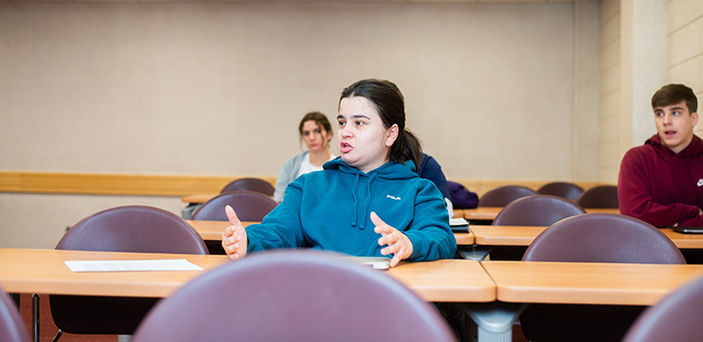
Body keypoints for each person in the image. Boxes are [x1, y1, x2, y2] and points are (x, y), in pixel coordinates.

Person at [222, 79, 457, 267]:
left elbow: (441, 238)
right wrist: (248, 239)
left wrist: (410, 243)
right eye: (342, 122)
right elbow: (278, 230)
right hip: (319, 300)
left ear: (390, 134)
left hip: (390, 306)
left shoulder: (420, 191)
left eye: (359, 123)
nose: (345, 132)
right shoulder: (307, 187)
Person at [618, 83, 702, 227]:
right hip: (651, 248)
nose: (666, 121)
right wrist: (691, 213)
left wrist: (668, 219)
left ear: (693, 119)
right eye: (660, 114)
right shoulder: (636, 159)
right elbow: (635, 214)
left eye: (675, 113)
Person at [273, 112, 336, 202]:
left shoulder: (341, 167)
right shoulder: (290, 166)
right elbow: (279, 201)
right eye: (306, 133)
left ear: (329, 134)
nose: (311, 138)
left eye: (317, 131)